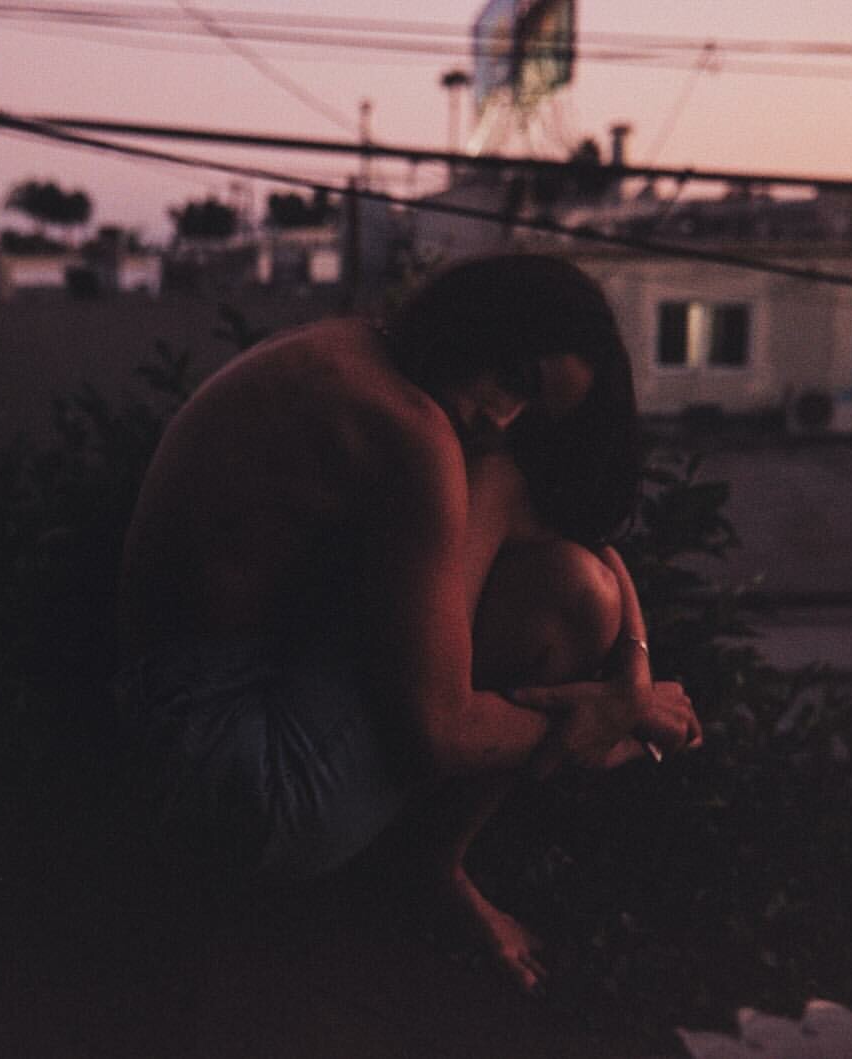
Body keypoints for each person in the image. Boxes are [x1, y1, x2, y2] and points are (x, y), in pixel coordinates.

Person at [112, 253, 701, 992]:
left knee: (576, 580)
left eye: (528, 410)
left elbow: (582, 539)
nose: (500, 417)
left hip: (173, 723)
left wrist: (633, 668)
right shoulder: (413, 431)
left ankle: (433, 867)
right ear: (486, 322)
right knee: (558, 568)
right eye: (513, 379)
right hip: (241, 783)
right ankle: (425, 868)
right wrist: (604, 722)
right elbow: (438, 732)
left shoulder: (357, 347)